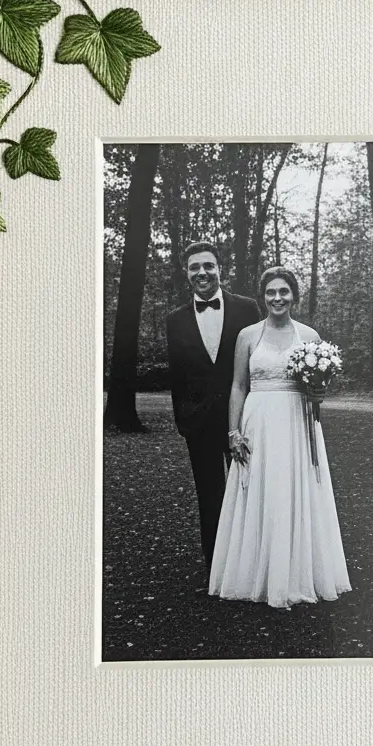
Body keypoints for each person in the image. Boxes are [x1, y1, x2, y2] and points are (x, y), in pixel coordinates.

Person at [210, 265, 351, 610]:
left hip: (296, 423)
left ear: (294, 296)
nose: (277, 298)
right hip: (258, 421)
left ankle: (297, 573)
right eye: (271, 292)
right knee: (262, 489)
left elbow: (318, 390)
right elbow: (238, 386)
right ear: (263, 297)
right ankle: (256, 571)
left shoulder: (310, 337)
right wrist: (234, 431)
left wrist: (319, 393)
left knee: (295, 488)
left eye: (284, 292)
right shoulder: (247, 336)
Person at [163, 241, 260, 574]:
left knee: (247, 487)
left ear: (220, 269)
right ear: (186, 273)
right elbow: (178, 376)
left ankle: (250, 559)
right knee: (209, 494)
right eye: (194, 267)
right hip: (199, 422)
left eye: (208, 266)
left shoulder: (248, 309)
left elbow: (257, 364)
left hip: (243, 417)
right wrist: (184, 420)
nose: (202, 273)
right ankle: (217, 563)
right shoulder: (174, 320)